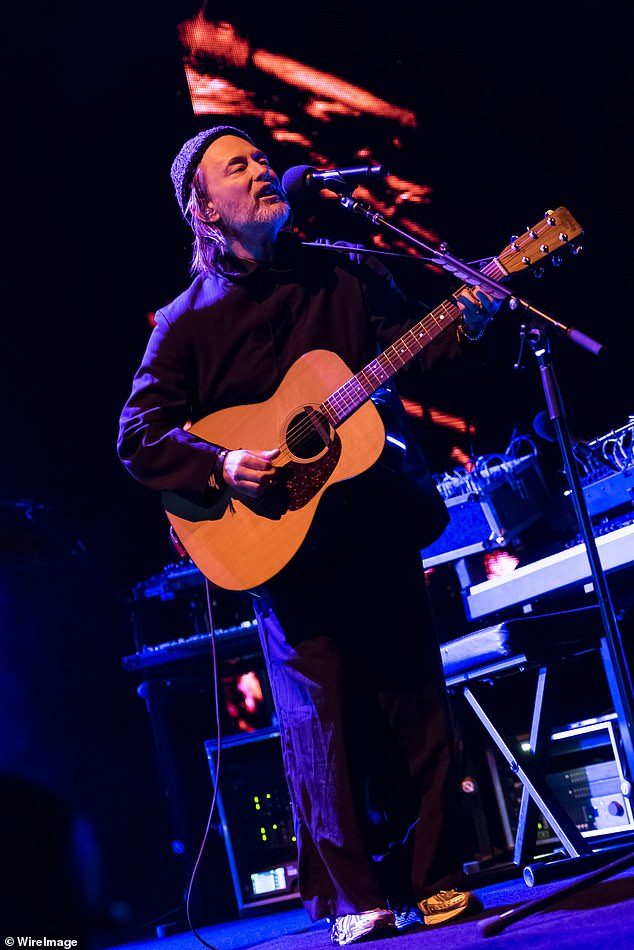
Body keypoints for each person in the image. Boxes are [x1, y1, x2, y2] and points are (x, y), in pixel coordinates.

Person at [117, 125, 499, 946]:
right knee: (317, 720)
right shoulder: (184, 325)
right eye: (238, 166)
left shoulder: (342, 273)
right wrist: (223, 464)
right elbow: (137, 435)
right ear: (202, 209)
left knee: (414, 696)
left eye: (260, 157)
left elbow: (420, 359)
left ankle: (437, 877)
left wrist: (471, 315)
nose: (261, 170)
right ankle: (355, 897)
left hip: (373, 520)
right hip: (282, 549)